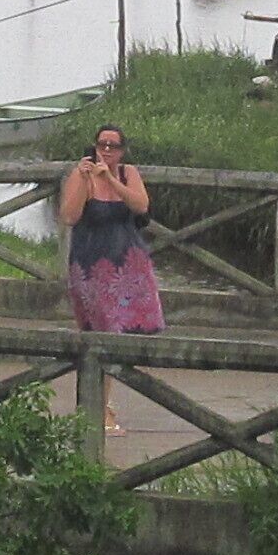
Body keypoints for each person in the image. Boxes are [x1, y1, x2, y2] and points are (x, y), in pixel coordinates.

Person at [58, 124, 164, 434]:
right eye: (102, 144)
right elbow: (69, 216)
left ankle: (102, 404)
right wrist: (86, 178)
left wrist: (111, 180)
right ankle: (99, 410)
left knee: (120, 336)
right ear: (94, 146)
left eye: (113, 145)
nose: (106, 150)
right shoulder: (82, 174)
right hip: (92, 269)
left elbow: (141, 206)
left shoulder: (128, 173)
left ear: (122, 150)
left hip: (128, 268)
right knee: (99, 334)